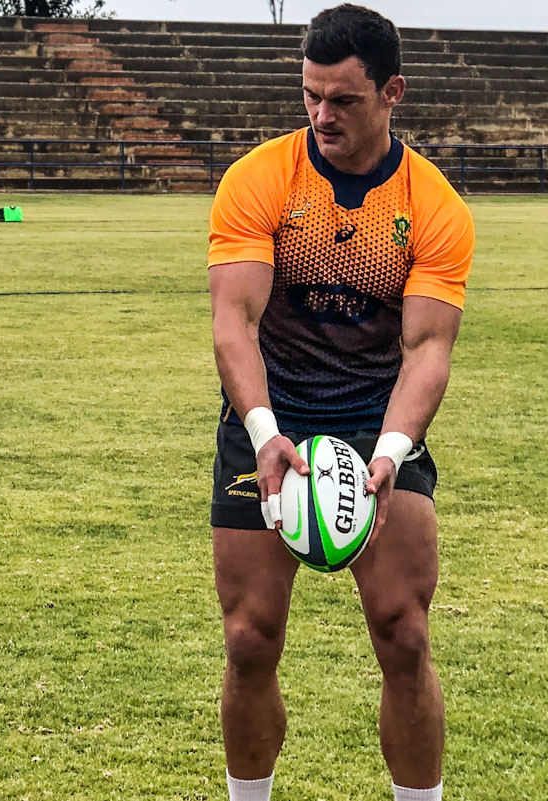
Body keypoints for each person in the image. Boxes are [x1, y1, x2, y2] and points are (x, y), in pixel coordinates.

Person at [206, 6, 473, 801]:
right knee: (250, 638)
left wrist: (389, 455)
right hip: (270, 412)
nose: (322, 115)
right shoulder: (260, 178)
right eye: (311, 96)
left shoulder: (433, 204)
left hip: (375, 416)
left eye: (344, 100)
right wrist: (262, 432)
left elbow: (428, 350)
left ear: (393, 92)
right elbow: (235, 323)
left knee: (405, 633)